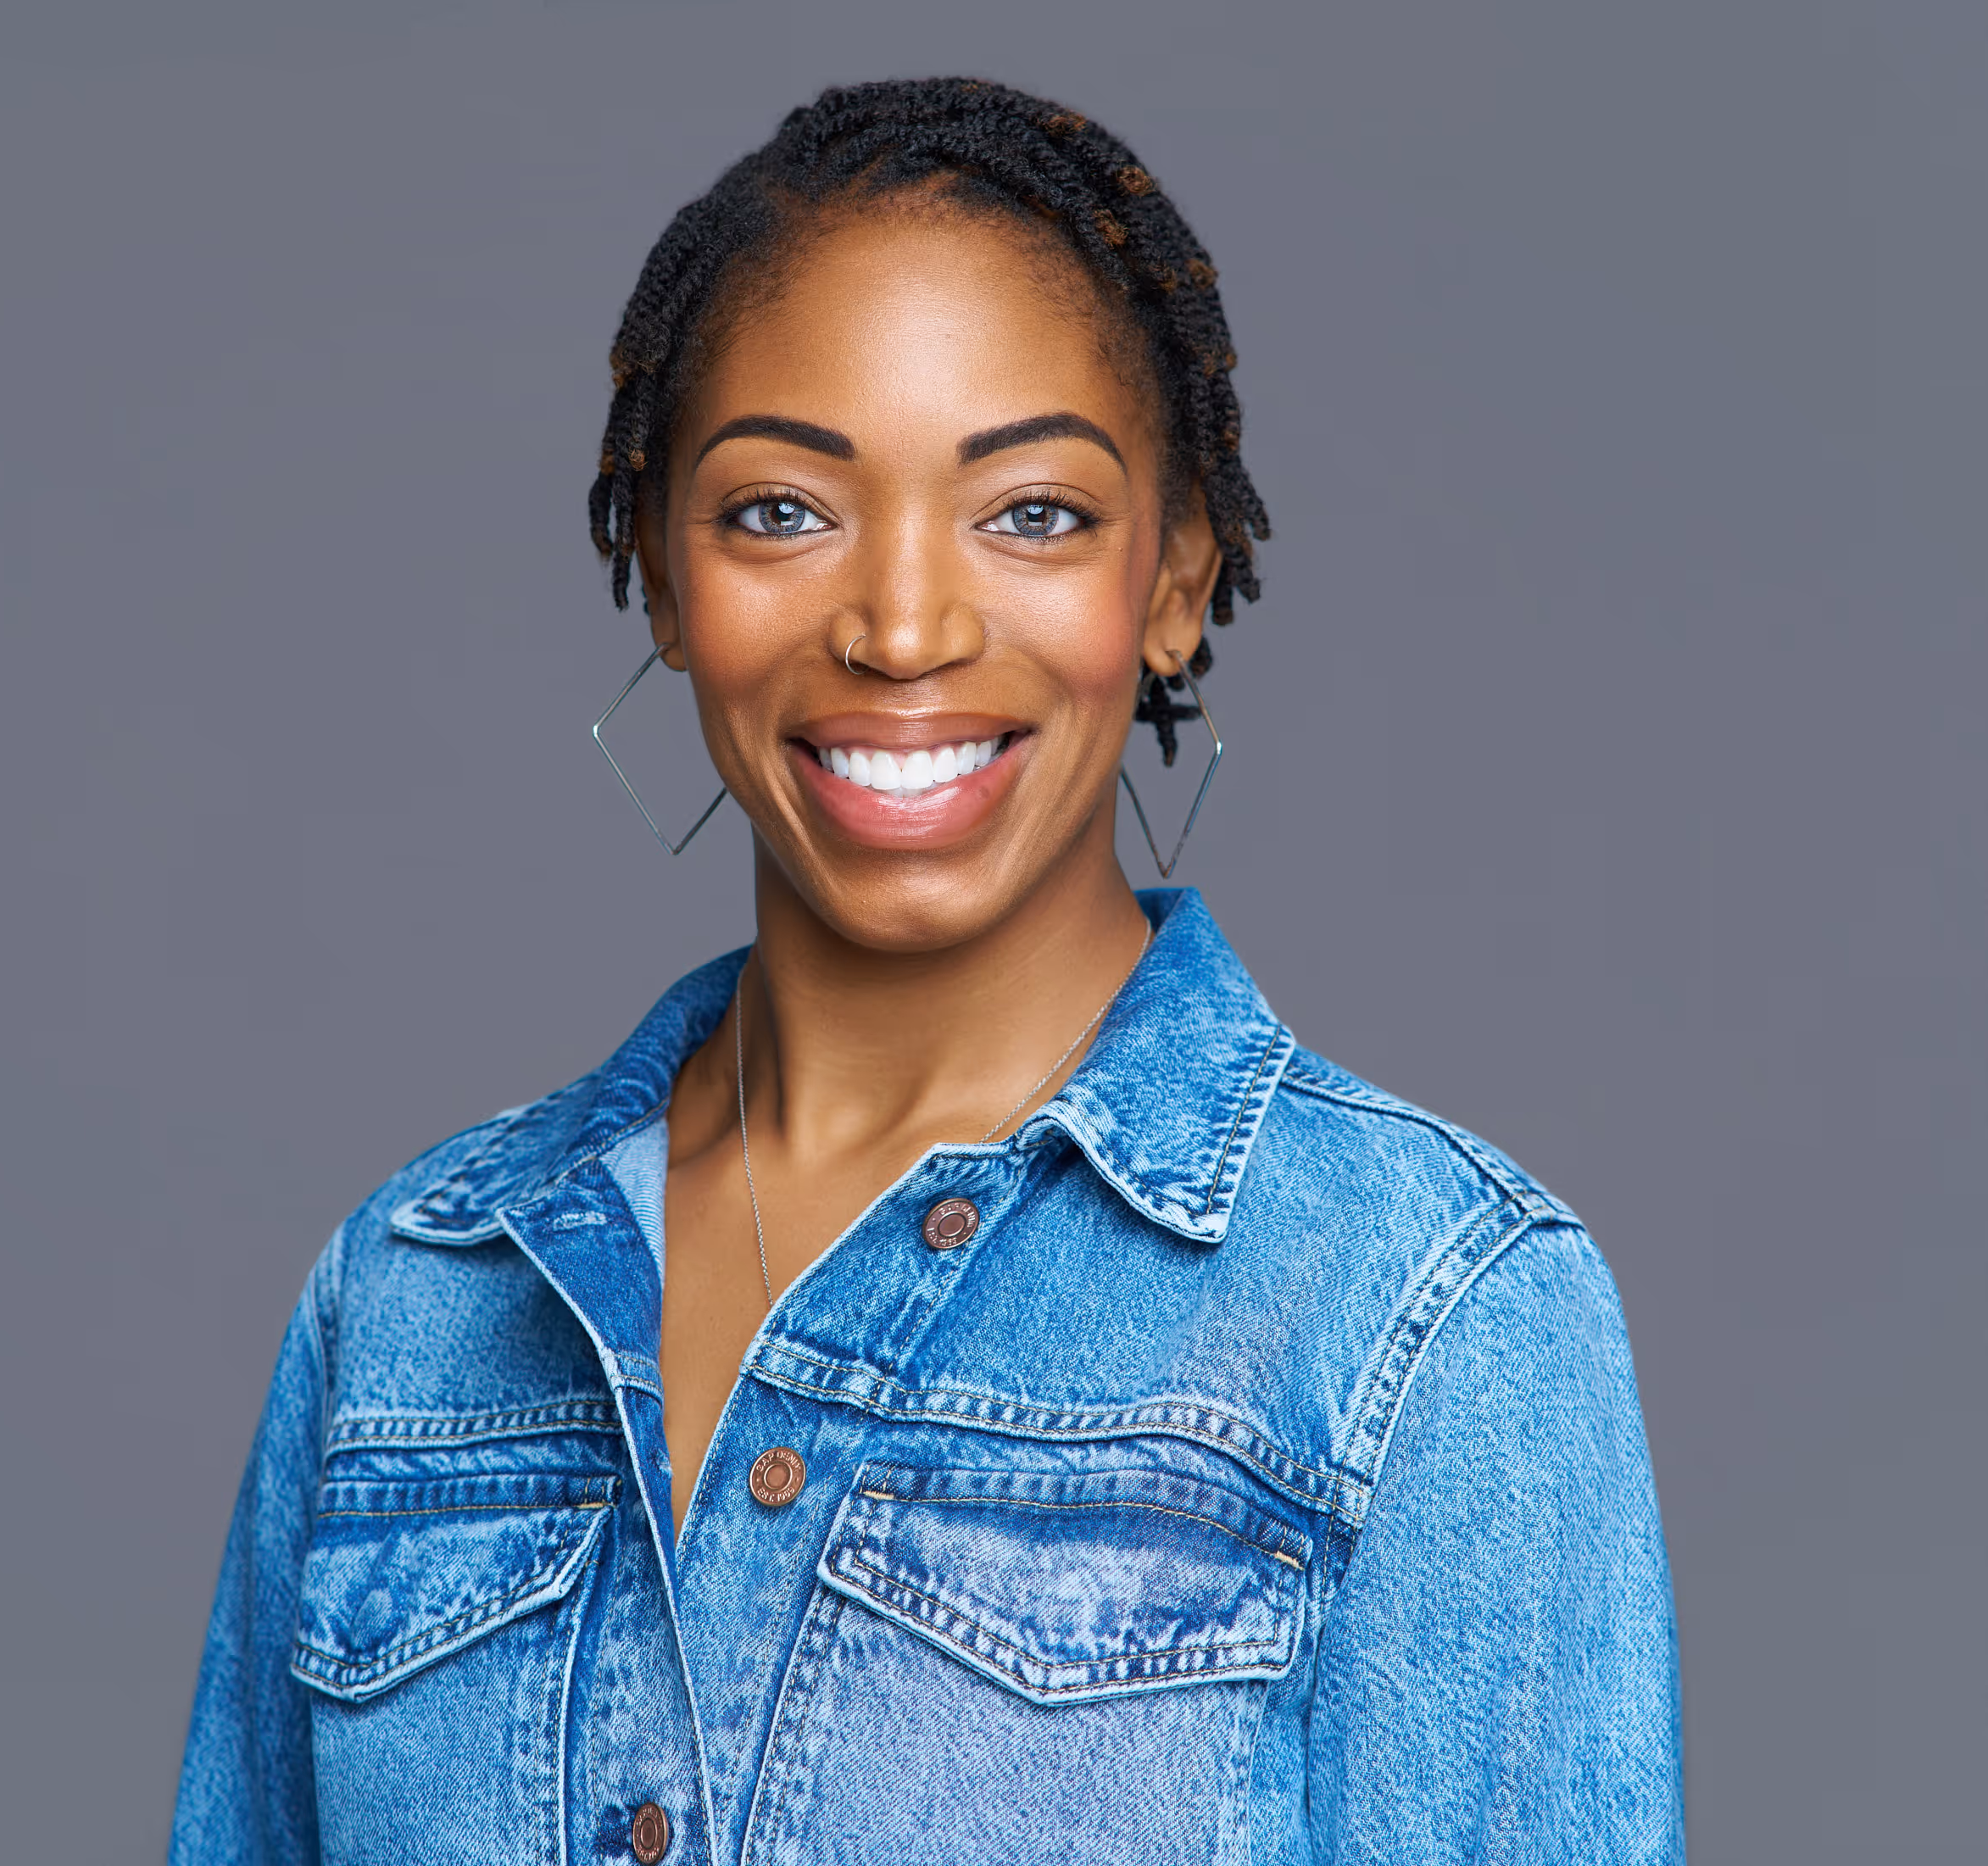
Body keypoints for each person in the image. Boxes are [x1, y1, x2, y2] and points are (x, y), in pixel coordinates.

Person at [171, 77, 1681, 1865]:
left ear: (1175, 575)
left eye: (1030, 510)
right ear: (663, 578)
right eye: (779, 511)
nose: (900, 624)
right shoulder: (412, 1294)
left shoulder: (1425, 1314)